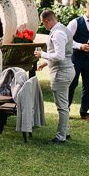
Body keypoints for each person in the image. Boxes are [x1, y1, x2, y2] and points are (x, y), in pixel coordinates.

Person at [35, 10, 76, 144]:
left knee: (62, 106)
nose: (44, 26)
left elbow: (59, 55)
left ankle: (61, 136)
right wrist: (46, 63)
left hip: (61, 72)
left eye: (43, 23)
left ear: (47, 21)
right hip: (66, 69)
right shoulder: (62, 29)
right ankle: (65, 130)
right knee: (63, 104)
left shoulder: (58, 33)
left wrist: (43, 55)